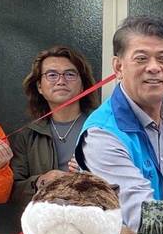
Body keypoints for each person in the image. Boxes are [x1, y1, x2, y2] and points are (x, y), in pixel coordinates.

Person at [76, 16, 163, 231]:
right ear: (118, 67)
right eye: (141, 58)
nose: (154, 68)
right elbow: (141, 217)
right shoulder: (101, 135)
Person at [10, 46, 100, 207]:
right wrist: (41, 181)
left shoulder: (101, 128)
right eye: (52, 75)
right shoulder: (28, 135)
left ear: (82, 86)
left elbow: (122, 184)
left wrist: (91, 174)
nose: (61, 81)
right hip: (44, 228)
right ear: (39, 87)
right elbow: (12, 191)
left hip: (93, 225)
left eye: (70, 74)